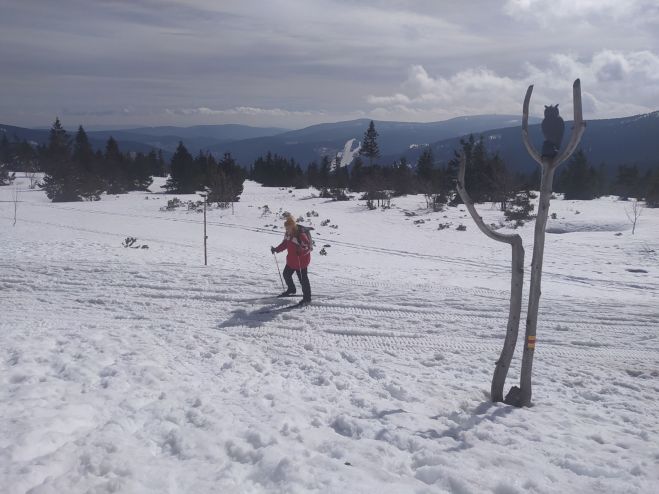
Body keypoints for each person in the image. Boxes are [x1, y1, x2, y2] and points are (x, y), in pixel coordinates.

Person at [271, 215, 312, 305]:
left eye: (288, 228)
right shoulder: (288, 234)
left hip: (301, 261)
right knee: (286, 274)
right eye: (286, 228)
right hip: (292, 260)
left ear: (293, 227)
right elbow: (285, 244)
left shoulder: (300, 235)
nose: (286, 230)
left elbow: (308, 247)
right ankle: (292, 289)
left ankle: (307, 298)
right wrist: (276, 249)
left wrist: (300, 251)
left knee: (303, 280)